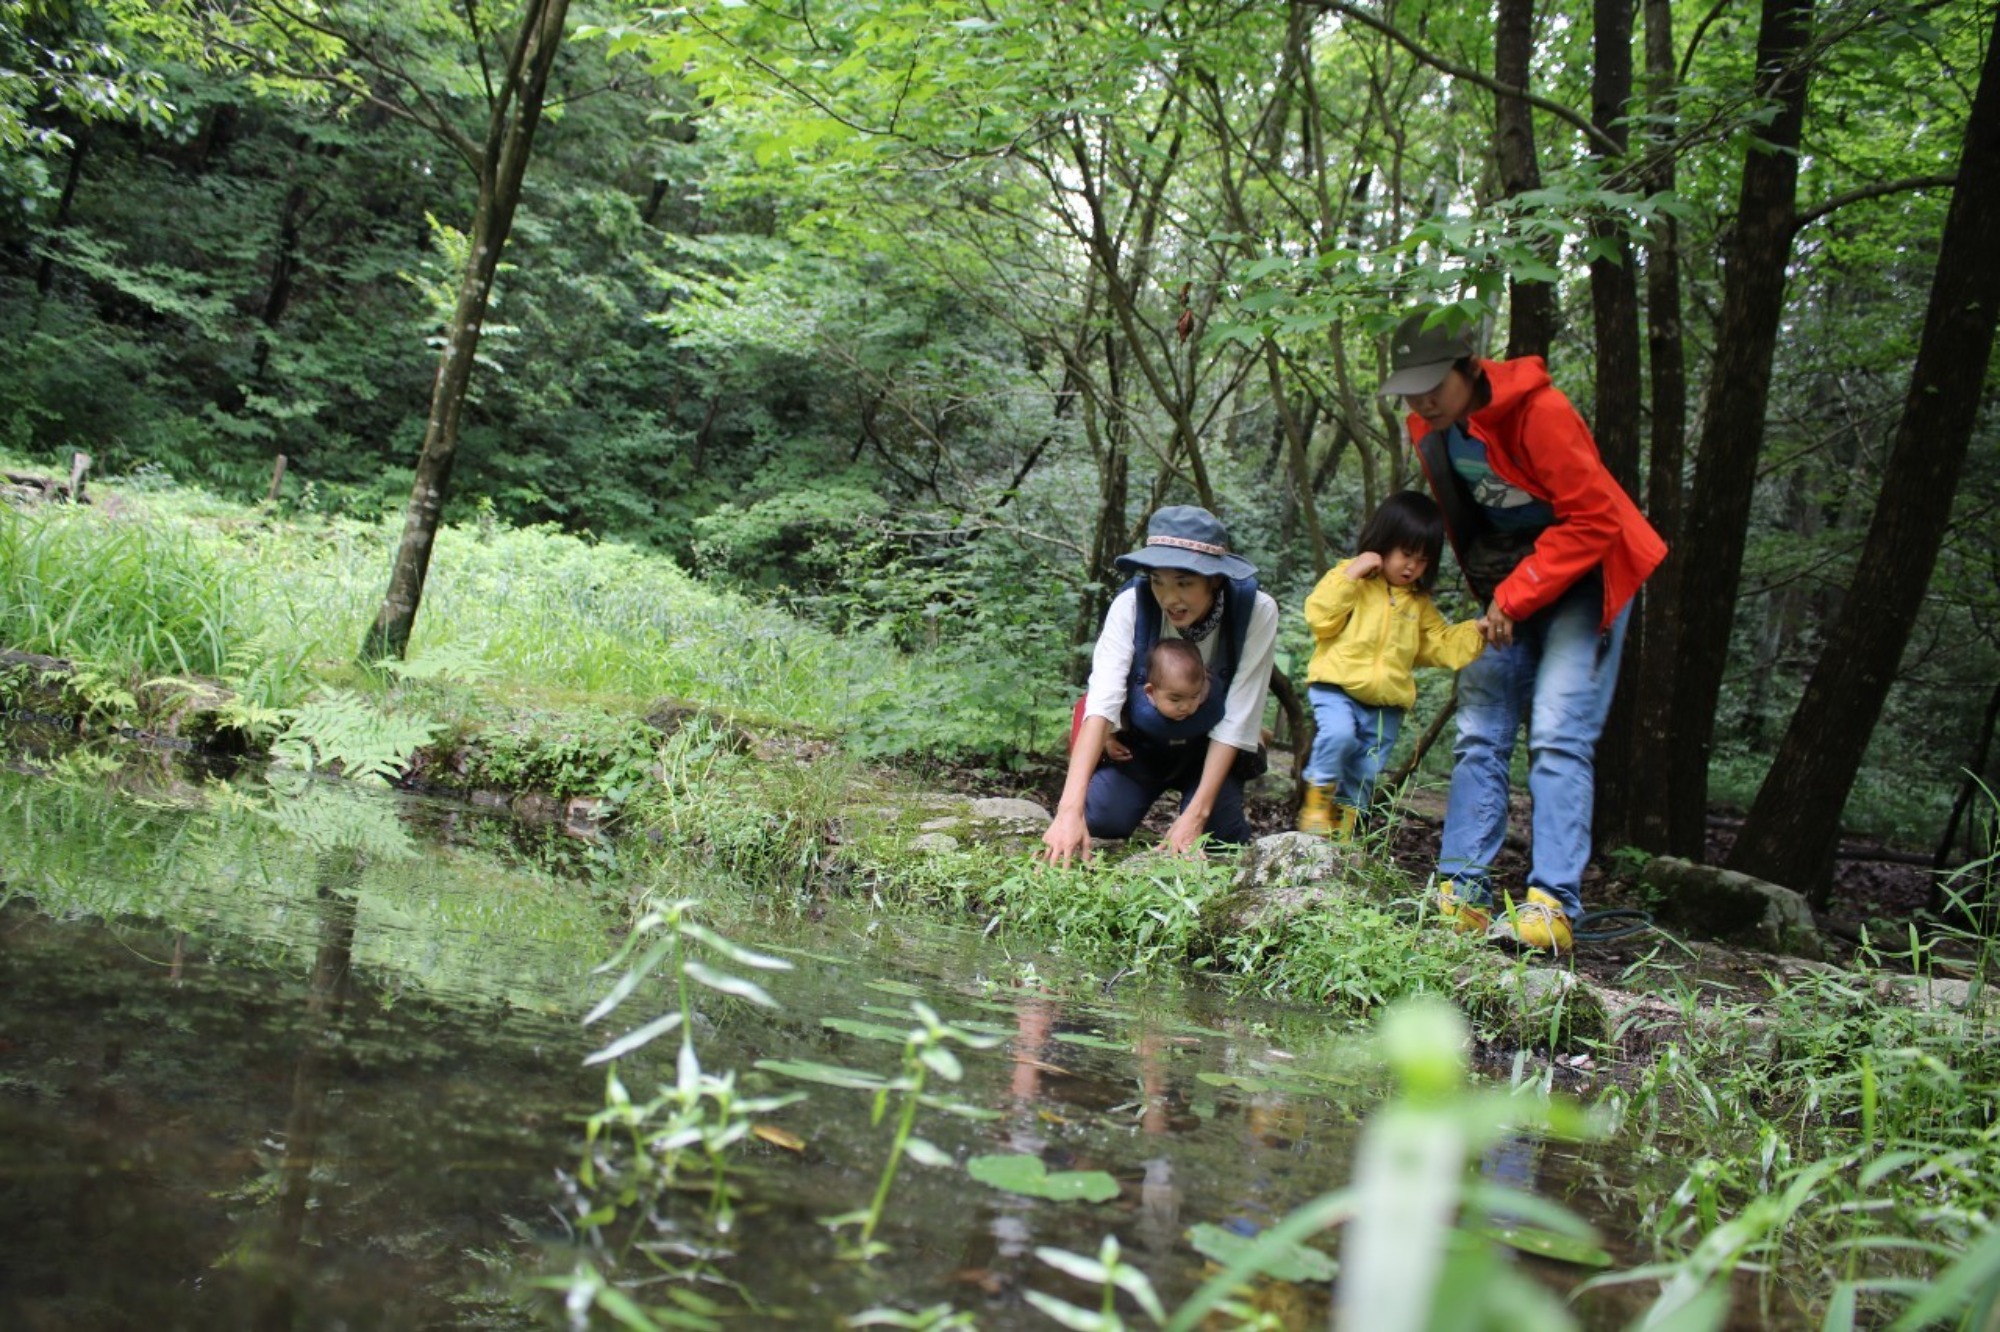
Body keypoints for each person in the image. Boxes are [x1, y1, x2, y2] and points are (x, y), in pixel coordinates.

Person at [1382, 309, 1667, 952]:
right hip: (1513, 588)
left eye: (1434, 382)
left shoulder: (1542, 412)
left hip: (1585, 580)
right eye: (1411, 387)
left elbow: (1595, 520)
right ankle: (1462, 892)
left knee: (1559, 731)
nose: (1424, 398)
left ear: (1468, 366)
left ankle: (1552, 908)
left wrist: (1515, 594)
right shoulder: (1431, 428)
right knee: (1481, 724)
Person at [1041, 506, 1279, 864]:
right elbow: (1102, 701)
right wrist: (1068, 811)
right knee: (1100, 820)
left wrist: (1195, 816)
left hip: (1209, 749)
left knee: (1221, 842)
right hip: (1141, 747)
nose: (1169, 598)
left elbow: (1238, 717)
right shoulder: (1131, 605)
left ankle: (1209, 803)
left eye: (1184, 582)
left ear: (1214, 579)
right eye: (1158, 581)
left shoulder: (1256, 612)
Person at [1298, 490, 1486, 841]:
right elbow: (1319, 618)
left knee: (1366, 771)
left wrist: (1478, 631)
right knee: (1338, 735)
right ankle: (1315, 803)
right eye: (1406, 554)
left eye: (1423, 559)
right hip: (1337, 688)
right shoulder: (1350, 578)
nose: (1411, 566)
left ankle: (1344, 834)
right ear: (1383, 543)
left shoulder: (1418, 604)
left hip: (1386, 706)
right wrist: (1352, 574)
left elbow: (1440, 644)